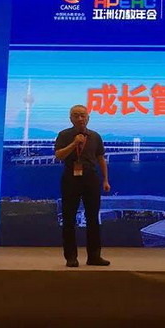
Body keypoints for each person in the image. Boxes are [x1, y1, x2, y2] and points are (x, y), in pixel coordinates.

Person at [54, 105, 111, 267]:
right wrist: (74, 144)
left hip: (91, 178)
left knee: (93, 218)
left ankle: (94, 256)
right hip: (70, 179)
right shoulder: (64, 135)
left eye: (83, 115)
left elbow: (101, 158)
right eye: (76, 115)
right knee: (69, 219)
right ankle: (71, 257)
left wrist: (105, 180)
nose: (80, 118)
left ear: (88, 118)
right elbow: (59, 155)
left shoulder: (95, 136)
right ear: (70, 118)